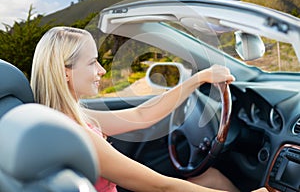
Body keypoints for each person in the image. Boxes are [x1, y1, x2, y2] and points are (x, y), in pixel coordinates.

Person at [31, 26, 267, 192]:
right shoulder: (78, 136)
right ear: (65, 72)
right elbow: (160, 186)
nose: (102, 71)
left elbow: (140, 115)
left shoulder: (69, 116)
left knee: (210, 178)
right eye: (93, 62)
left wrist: (198, 79)